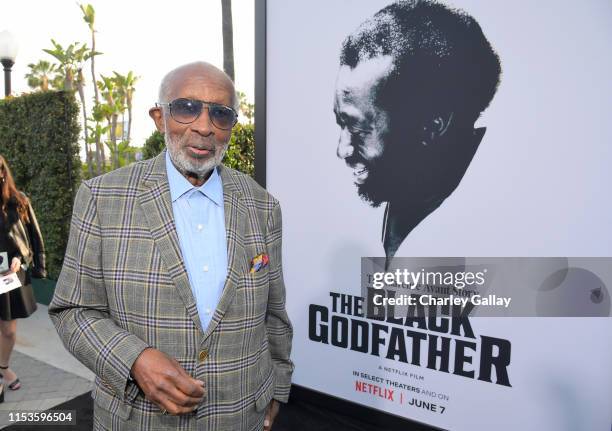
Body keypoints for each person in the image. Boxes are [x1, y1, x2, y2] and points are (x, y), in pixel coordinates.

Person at [49, 62, 293, 430]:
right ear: (159, 117)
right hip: (137, 421)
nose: (204, 126)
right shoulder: (102, 197)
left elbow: (274, 315)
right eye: (187, 107)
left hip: (242, 416)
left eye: (220, 114)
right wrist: (135, 359)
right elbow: (73, 311)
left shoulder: (263, 206)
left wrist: (278, 389)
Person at [333, 0, 501, 263]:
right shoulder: (401, 195)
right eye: (340, 123)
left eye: (357, 127)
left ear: (432, 127)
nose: (341, 150)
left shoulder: (492, 229)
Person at [0, 155, 46, 399]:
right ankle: (6, 374)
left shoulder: (19, 201)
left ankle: (2, 367)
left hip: (9, 275)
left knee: (7, 330)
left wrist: (23, 258)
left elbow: (33, 238)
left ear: (2, 172)